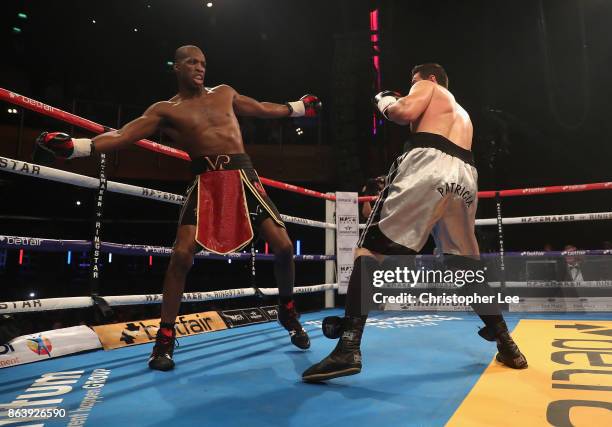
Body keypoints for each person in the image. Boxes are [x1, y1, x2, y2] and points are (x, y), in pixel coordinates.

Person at [36, 45, 321, 371]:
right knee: (182, 254)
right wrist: (78, 147)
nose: (200, 68)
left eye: (203, 63)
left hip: (244, 177)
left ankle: (287, 309)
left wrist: (297, 107)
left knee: (284, 246)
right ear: (177, 67)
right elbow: (125, 135)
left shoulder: (225, 92)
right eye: (192, 63)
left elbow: (260, 109)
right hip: (207, 181)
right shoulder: (165, 110)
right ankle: (165, 340)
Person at [303, 63, 527, 382]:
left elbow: (402, 112)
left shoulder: (430, 87)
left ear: (431, 78)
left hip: (429, 164)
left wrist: (384, 99)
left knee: (368, 252)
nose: (412, 86)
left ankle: (347, 348)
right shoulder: (461, 114)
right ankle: (508, 345)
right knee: (464, 265)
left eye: (413, 82)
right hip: (465, 176)